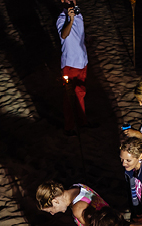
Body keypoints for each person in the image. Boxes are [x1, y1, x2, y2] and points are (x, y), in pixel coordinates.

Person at [56, 0, 87, 133]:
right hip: (70, 64)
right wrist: (71, 20)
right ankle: (69, 127)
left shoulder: (79, 14)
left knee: (81, 93)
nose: (71, 2)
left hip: (82, 61)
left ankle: (82, 121)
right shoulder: (61, 18)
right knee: (68, 97)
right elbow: (64, 35)